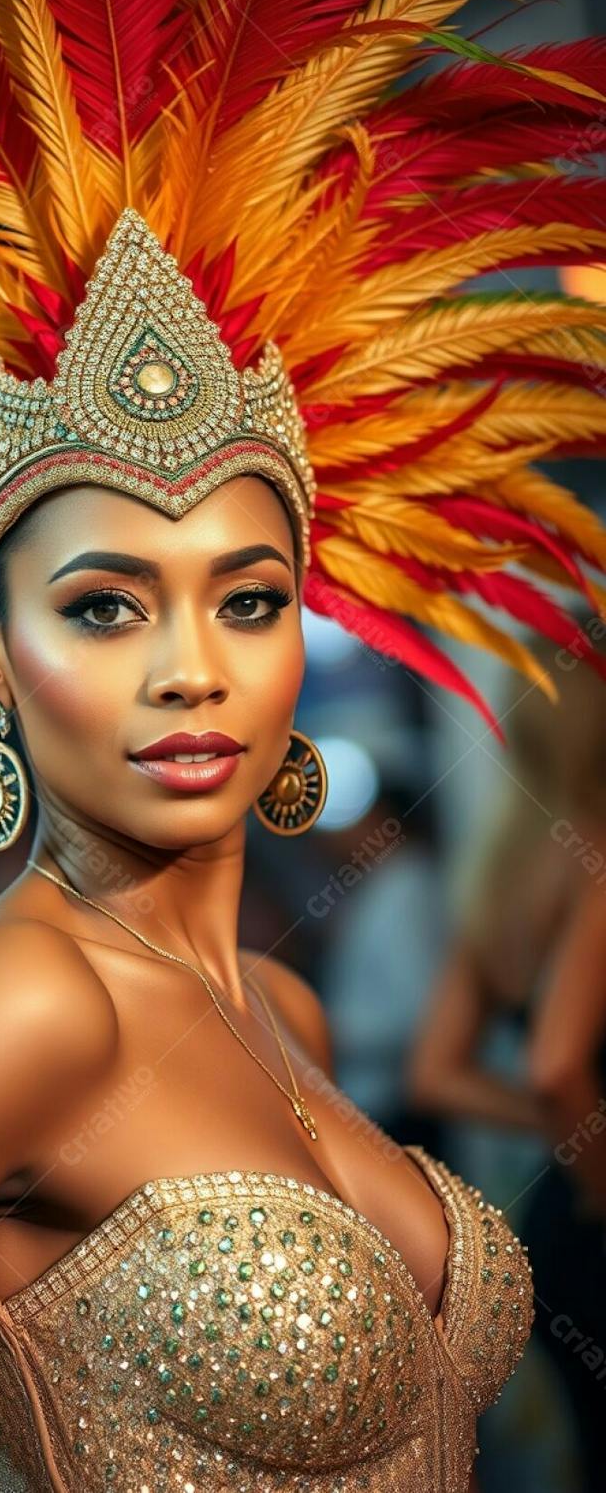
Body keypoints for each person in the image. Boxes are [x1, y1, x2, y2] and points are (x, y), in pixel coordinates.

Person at [0, 0, 606, 1489]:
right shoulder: (24, 1003)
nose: (191, 671)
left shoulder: (287, 1008)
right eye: (106, 608)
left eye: (249, 599)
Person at [409, 632, 606, 1490]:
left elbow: (435, 1071)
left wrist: (569, 1135)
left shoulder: (506, 867)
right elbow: (559, 1062)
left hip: (559, 1227)